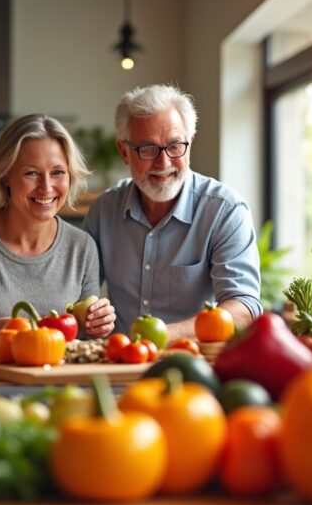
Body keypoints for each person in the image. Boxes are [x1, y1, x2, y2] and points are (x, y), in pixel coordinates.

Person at [84, 84, 262, 341]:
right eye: (147, 149)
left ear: (190, 145)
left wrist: (159, 337)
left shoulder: (225, 210)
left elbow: (243, 309)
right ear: (124, 152)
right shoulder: (104, 211)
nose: (164, 163)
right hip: (120, 364)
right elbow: (80, 296)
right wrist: (93, 317)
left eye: (175, 146)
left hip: (196, 365)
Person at [0, 114, 116, 340]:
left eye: (58, 172)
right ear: (6, 175)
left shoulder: (83, 247)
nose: (46, 187)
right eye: (31, 173)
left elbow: (84, 342)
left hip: (59, 376)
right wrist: (0, 331)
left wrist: (98, 324)